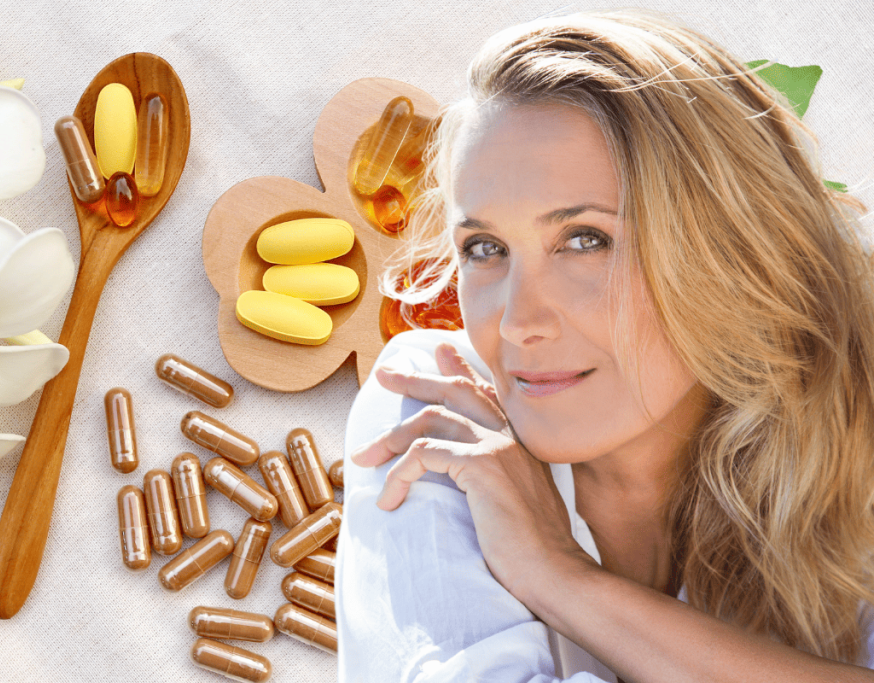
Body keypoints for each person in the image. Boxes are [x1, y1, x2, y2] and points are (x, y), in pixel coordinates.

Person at [335, 8, 874, 682]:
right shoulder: (436, 413)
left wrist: (562, 579)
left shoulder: (855, 423)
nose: (517, 322)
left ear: (731, 252)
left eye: (585, 240)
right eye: (486, 248)